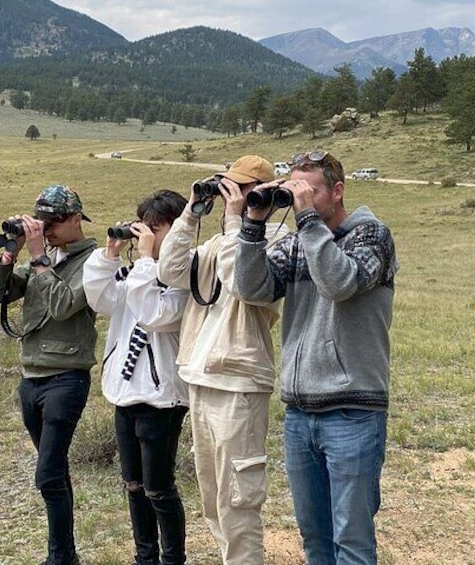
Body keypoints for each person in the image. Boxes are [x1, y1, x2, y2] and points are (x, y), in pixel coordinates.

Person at [233, 150, 398, 565]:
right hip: (300, 413)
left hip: (353, 409)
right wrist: (252, 226)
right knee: (315, 539)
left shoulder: (371, 235)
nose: (301, 196)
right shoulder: (298, 241)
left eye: (311, 190)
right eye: (295, 189)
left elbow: (340, 282)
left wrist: (306, 220)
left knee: (352, 540)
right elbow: (252, 289)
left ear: (338, 191)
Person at [156, 156, 289, 565]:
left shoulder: (276, 242)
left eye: (242, 189)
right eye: (227, 187)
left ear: (263, 194)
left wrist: (237, 221)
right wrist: (191, 213)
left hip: (239, 382)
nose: (232, 196)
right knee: (213, 497)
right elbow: (171, 269)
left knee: (238, 501)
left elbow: (244, 285)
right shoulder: (217, 243)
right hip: (200, 378)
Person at [0, 185, 98, 565]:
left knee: (47, 473)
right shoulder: (45, 258)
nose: (46, 230)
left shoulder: (93, 261)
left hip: (66, 376)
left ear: (76, 219)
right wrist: (10, 253)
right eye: (41, 222)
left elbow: (65, 305)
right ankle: (65, 555)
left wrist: (37, 258)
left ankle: (59, 558)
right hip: (31, 375)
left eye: (54, 222)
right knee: (55, 472)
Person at [82, 189, 190, 565]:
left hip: (162, 397)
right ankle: (145, 557)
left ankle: (173, 558)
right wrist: (109, 254)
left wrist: (146, 261)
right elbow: (102, 300)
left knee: (159, 488)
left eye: (155, 228)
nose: (147, 235)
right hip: (126, 392)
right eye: (145, 227)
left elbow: (154, 314)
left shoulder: (185, 276)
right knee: (134, 485)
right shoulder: (136, 274)